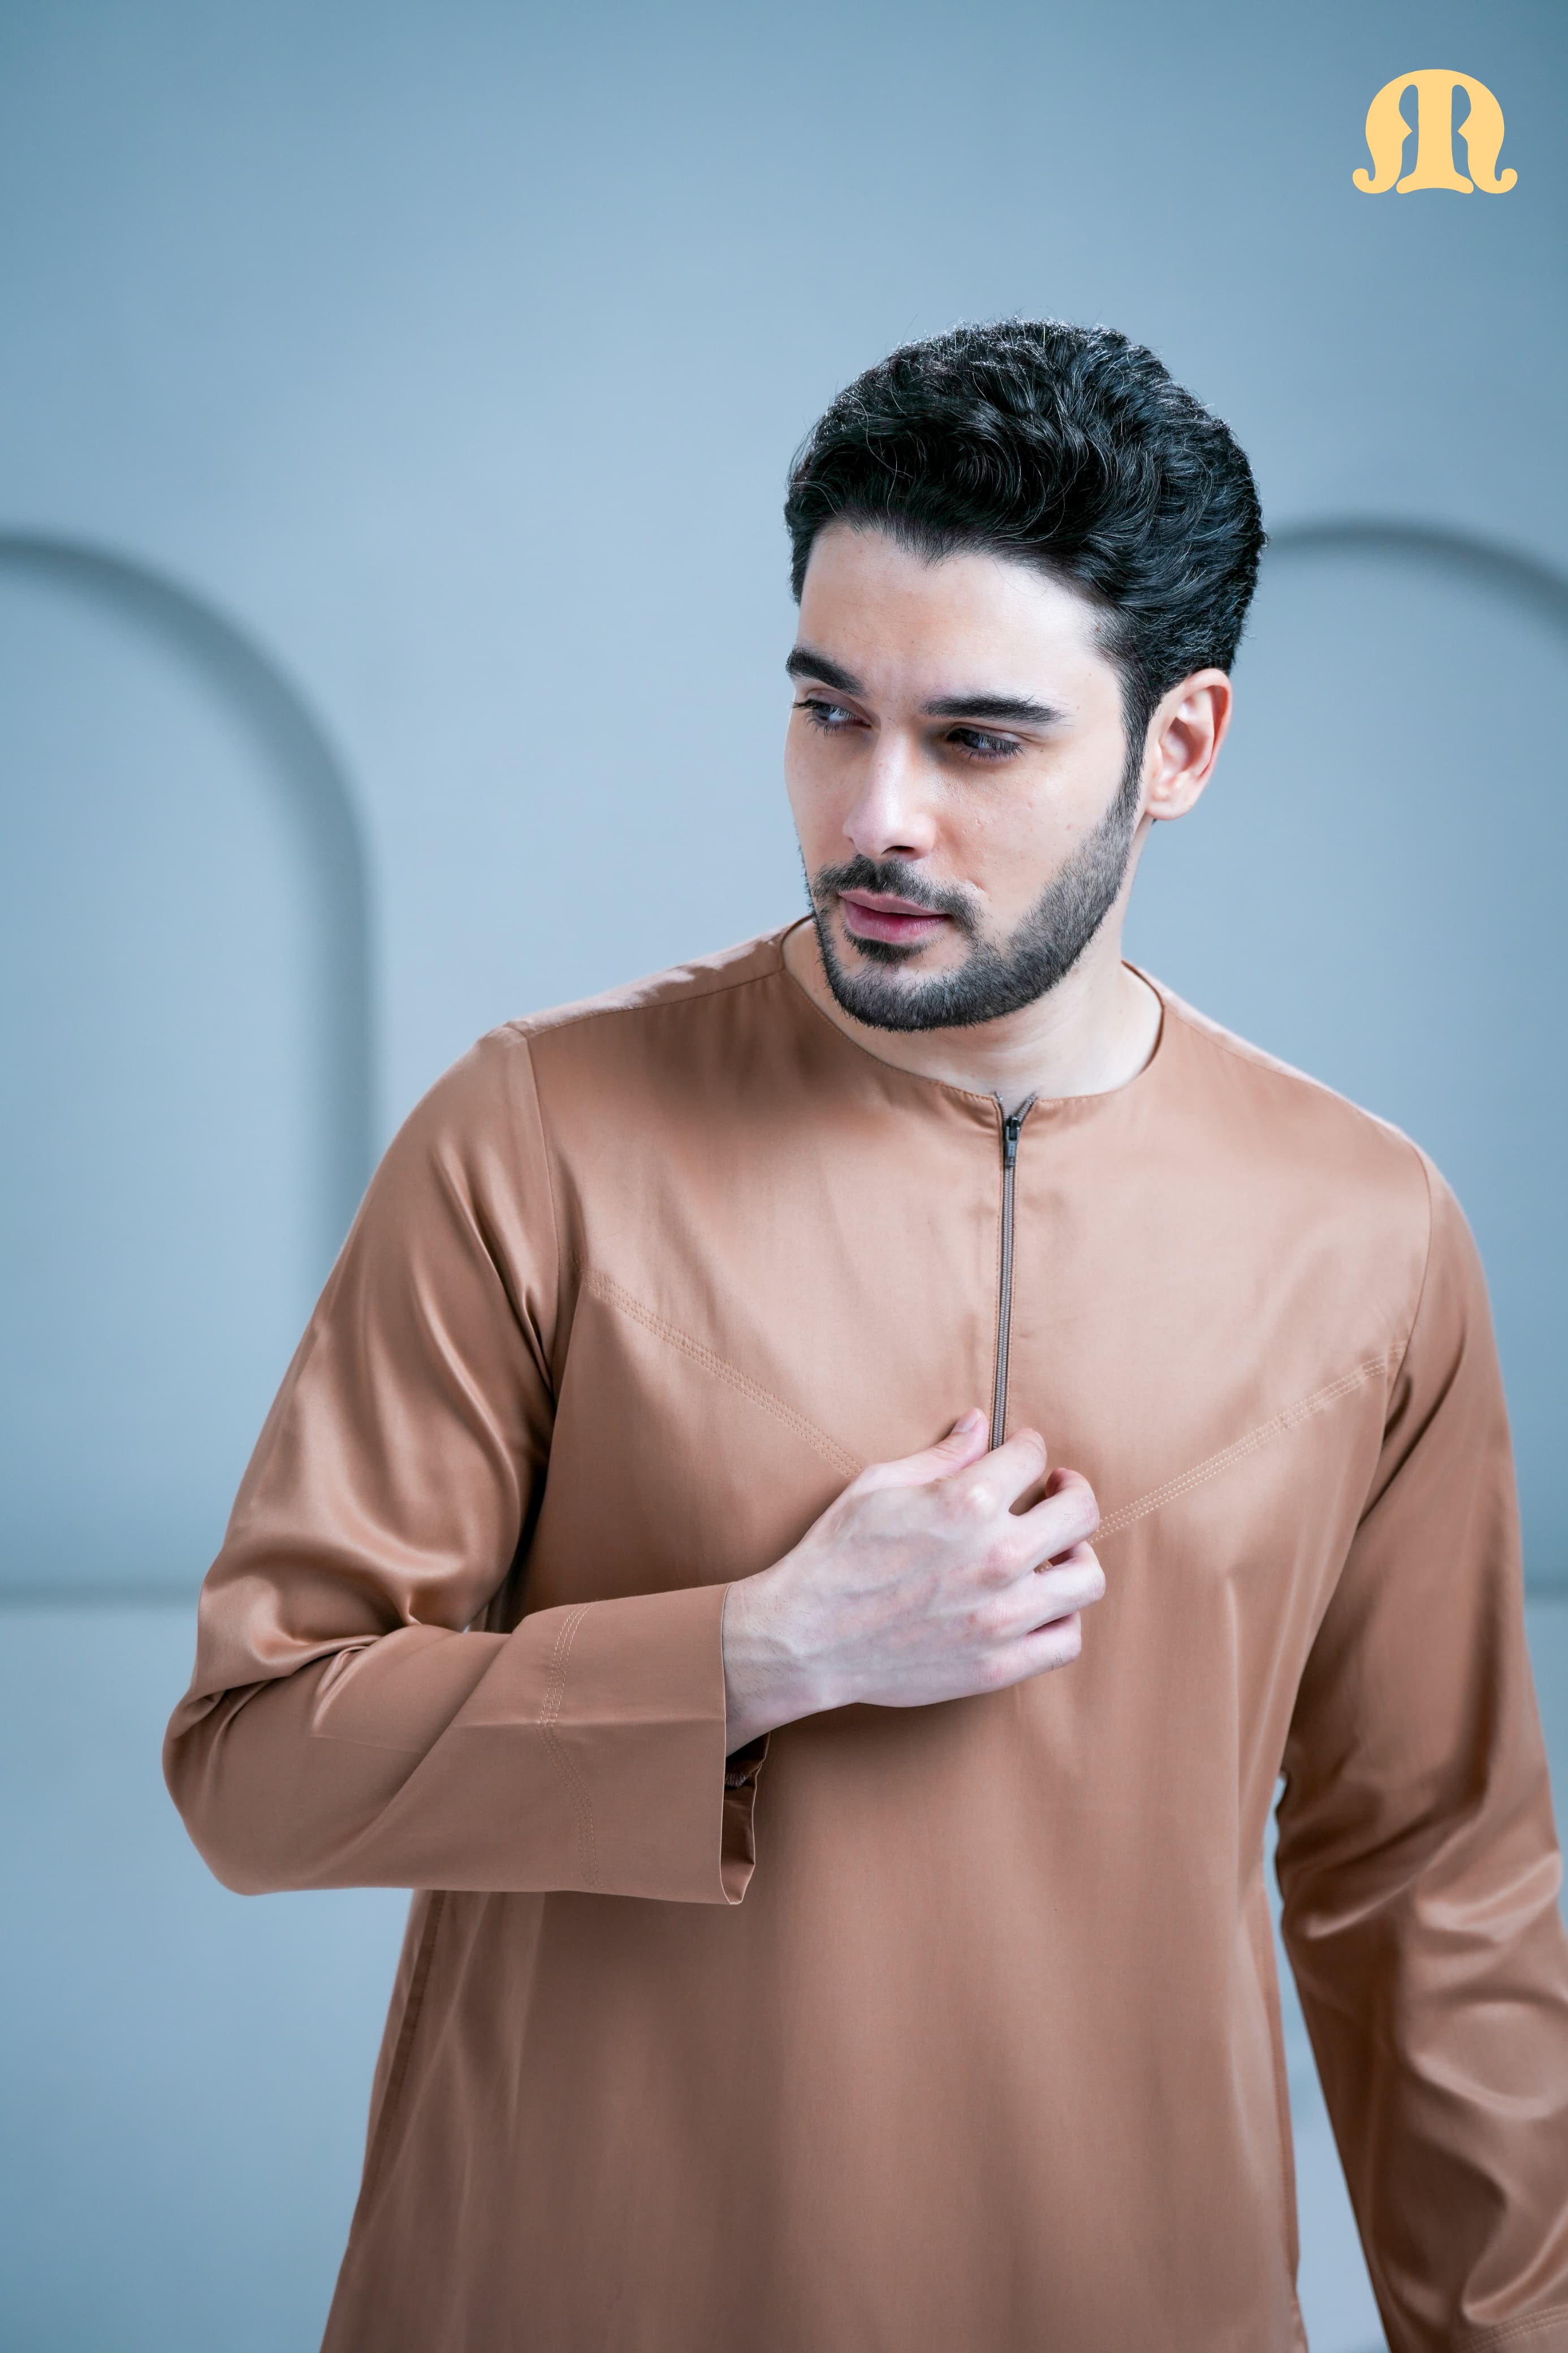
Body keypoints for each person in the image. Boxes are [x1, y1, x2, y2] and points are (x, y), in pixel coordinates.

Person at [165, 320, 1568, 2353]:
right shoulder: (540, 1136)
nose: (873, 815)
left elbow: (1435, 1904)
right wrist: (758, 1654)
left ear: (1180, 746)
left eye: (979, 741)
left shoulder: (1368, 1233)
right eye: (829, 713)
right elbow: (251, 1768)